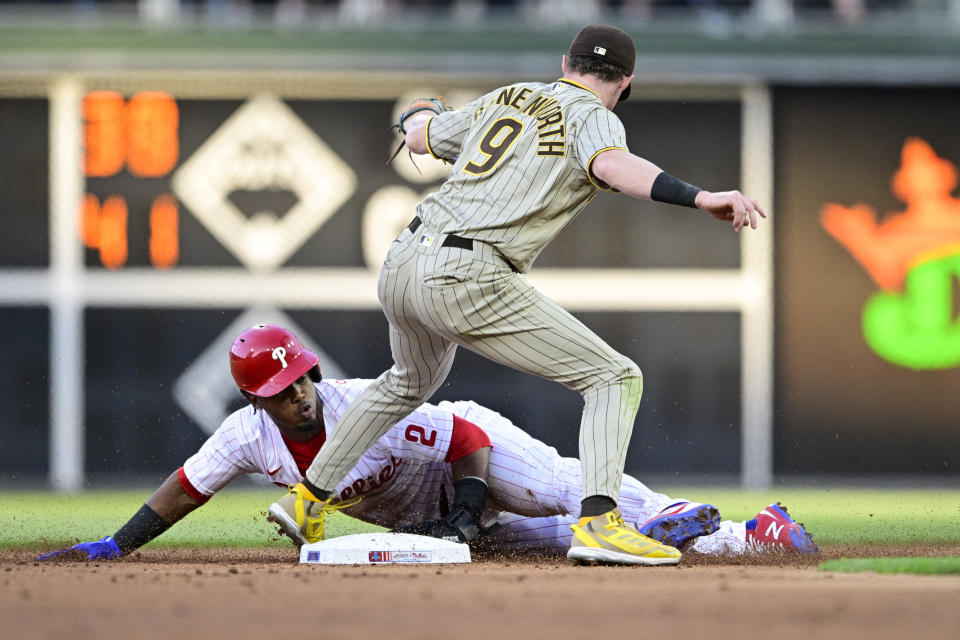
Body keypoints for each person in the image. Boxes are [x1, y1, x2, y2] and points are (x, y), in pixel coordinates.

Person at [271, 23, 767, 565]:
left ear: (564, 62)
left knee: (408, 380)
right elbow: (612, 166)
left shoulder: (511, 96)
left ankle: (306, 500)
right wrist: (700, 198)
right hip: (466, 272)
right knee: (614, 376)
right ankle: (600, 522)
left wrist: (416, 115)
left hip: (403, 259)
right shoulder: (596, 117)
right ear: (625, 83)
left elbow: (420, 136)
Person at [38, 324, 814, 563]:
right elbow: (185, 488)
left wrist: (470, 509)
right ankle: (750, 540)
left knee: (564, 493)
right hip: (425, 517)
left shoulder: (363, 406)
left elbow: (465, 437)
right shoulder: (246, 439)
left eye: (302, 377)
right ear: (256, 400)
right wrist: (117, 543)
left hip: (469, 459)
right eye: (280, 390)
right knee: (560, 547)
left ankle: (679, 509)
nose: (299, 393)